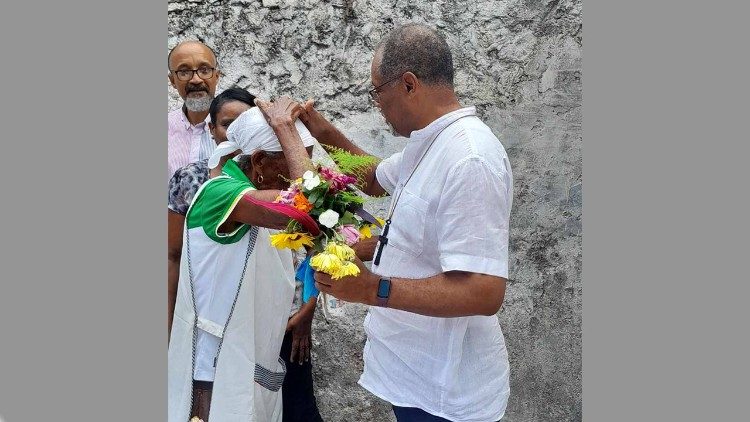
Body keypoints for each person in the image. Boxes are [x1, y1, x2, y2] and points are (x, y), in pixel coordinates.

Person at [302, 23, 513, 422]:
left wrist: (370, 288)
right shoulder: (429, 142)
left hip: (446, 390)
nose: (376, 104)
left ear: (409, 84)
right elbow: (371, 179)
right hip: (415, 375)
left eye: (377, 91)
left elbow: (484, 293)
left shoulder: (469, 158)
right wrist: (316, 125)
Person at [167, 88, 324, 421]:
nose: (302, 172)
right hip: (214, 378)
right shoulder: (219, 193)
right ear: (259, 161)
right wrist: (285, 129)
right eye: (295, 160)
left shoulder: (251, 201)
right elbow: (311, 206)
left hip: (250, 373)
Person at [168, 40, 222, 182]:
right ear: (173, 80)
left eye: (204, 70)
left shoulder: (239, 127)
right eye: (184, 72)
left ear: (216, 76)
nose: (196, 80)